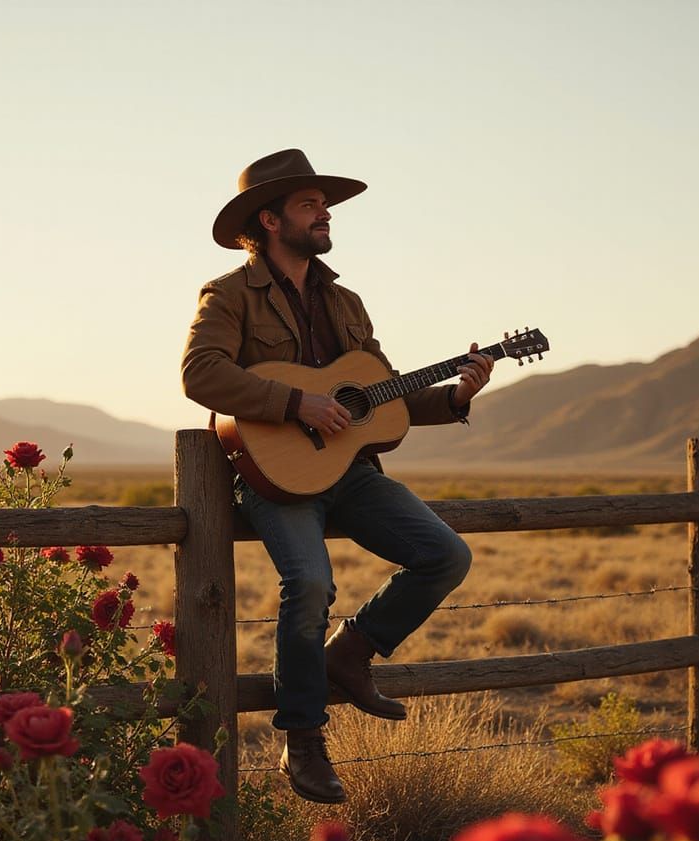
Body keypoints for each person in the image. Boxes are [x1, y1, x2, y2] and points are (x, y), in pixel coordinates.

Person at [181, 149, 493, 804]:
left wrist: (458, 396)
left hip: (348, 470)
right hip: (272, 474)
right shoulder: (229, 294)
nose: (324, 215)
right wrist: (296, 403)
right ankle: (304, 734)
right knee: (310, 581)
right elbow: (200, 375)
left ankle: (349, 654)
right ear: (269, 219)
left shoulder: (345, 302)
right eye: (309, 204)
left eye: (324, 205)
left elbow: (383, 398)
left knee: (445, 554)